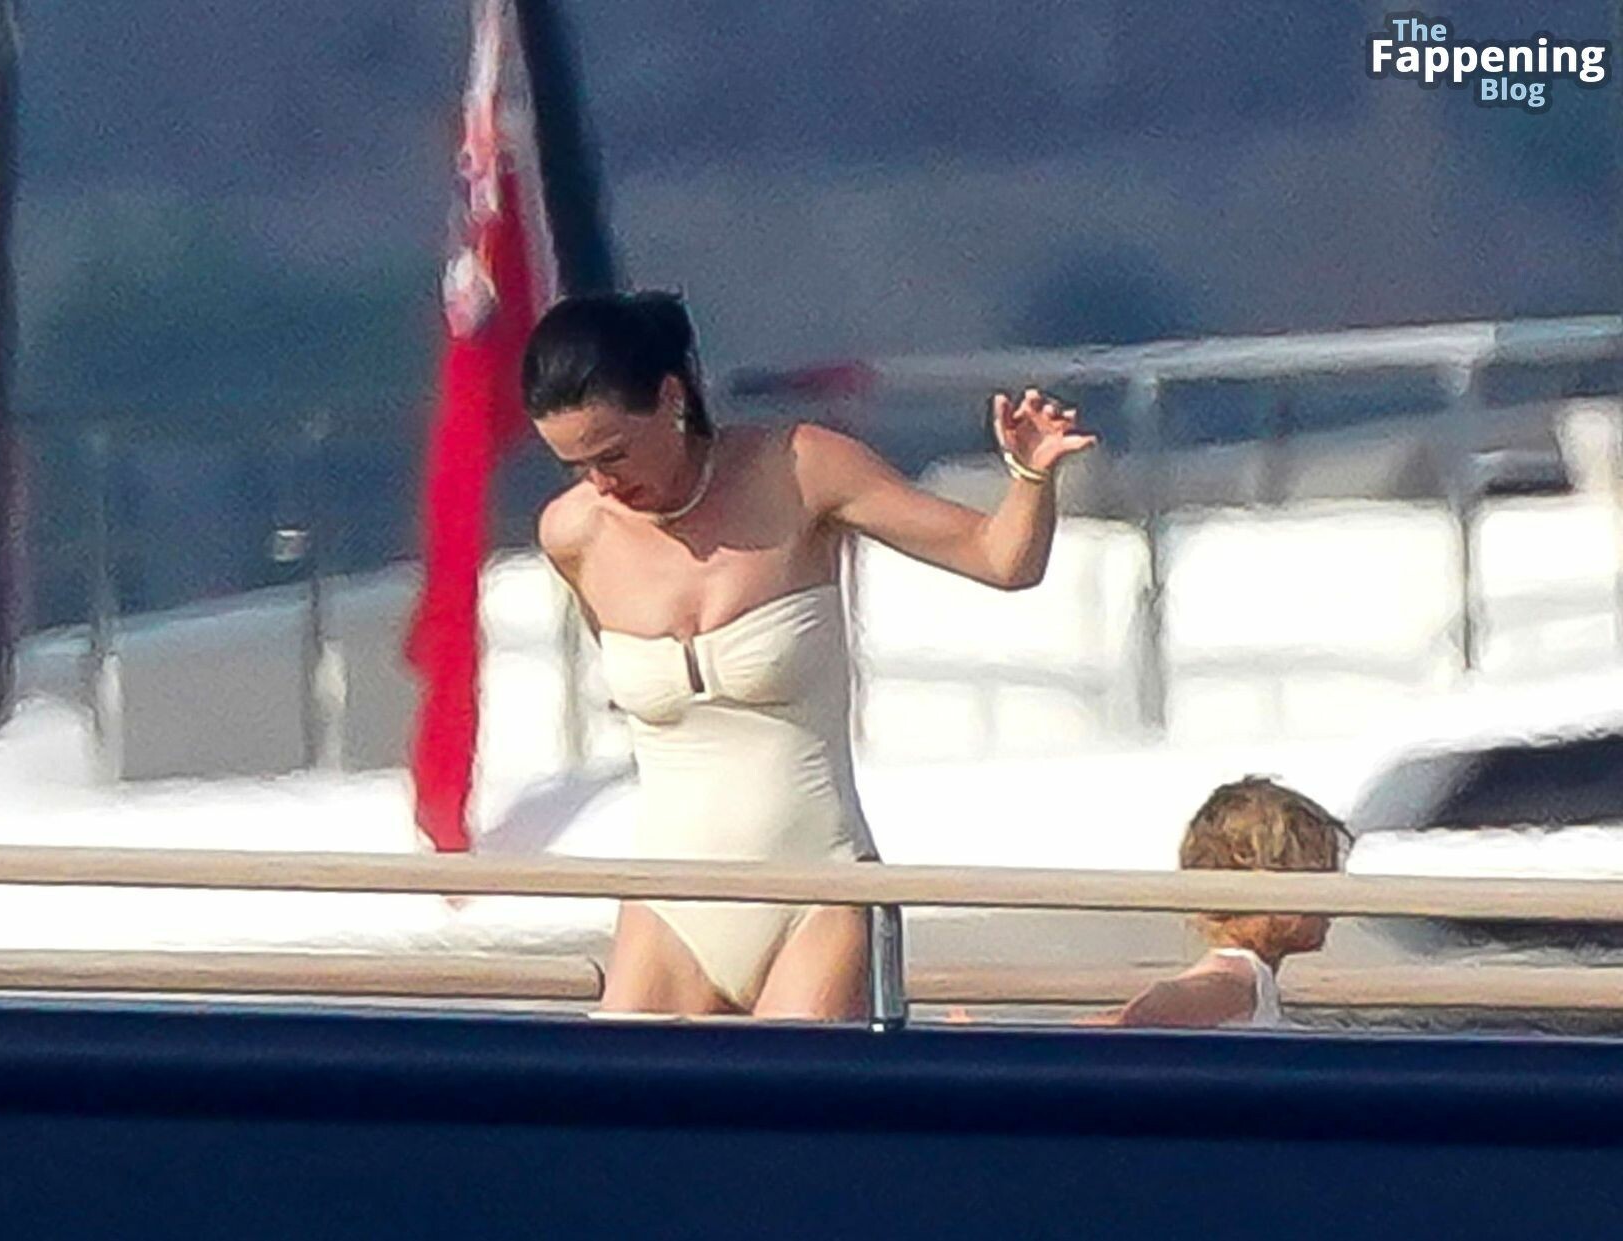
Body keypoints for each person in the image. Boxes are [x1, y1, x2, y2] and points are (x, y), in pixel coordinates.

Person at [521, 290, 1096, 1021]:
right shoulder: (573, 535)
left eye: (613, 454)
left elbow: (1000, 558)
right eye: (576, 466)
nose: (603, 483)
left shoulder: (800, 469)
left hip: (816, 893)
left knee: (793, 1093)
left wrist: (1031, 477)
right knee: (612, 1094)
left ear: (670, 398)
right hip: (670, 904)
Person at [1106, 777, 1347, 1029]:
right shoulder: (1233, 980)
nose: (1332, 897)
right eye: (1319, 874)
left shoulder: (1248, 982)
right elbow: (1152, 1009)